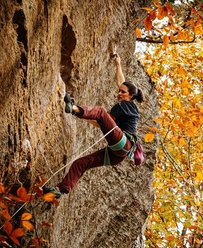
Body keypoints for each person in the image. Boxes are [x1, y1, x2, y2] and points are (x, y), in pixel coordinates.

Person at [43, 54, 144, 199]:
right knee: (81, 163)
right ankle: (60, 190)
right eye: (119, 91)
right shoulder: (129, 104)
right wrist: (118, 64)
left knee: (101, 112)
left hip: (124, 144)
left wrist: (77, 111)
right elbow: (100, 122)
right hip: (117, 154)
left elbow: (102, 118)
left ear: (131, 96)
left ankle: (73, 107)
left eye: (122, 92)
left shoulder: (124, 105)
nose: (119, 93)